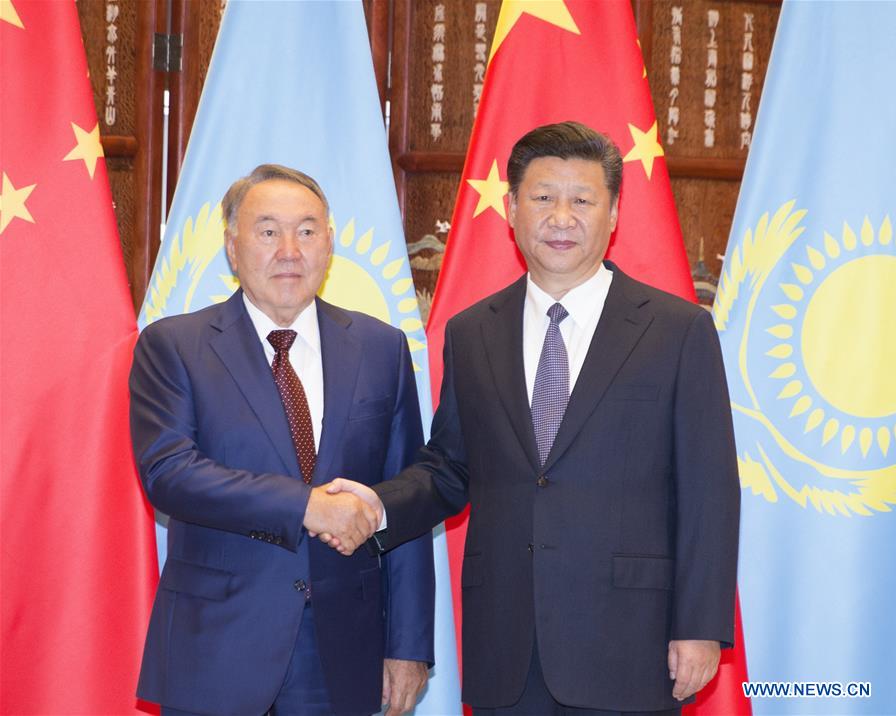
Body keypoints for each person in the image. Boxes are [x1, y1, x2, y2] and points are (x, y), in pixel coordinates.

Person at [326, 122, 740, 715]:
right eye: (543, 198)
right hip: (508, 644)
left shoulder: (677, 330)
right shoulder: (473, 332)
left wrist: (700, 626)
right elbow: (448, 468)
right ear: (513, 209)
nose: (562, 217)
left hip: (631, 643)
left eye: (583, 200)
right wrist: (376, 505)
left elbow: (709, 489)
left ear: (615, 212)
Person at [129, 164, 434, 716]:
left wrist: (409, 647)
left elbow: (406, 498)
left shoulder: (381, 348)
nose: (289, 250)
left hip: (343, 652)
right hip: (216, 648)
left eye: (308, 230)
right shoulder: (174, 346)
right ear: (232, 246)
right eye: (268, 231)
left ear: (330, 243)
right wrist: (306, 507)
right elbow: (170, 475)